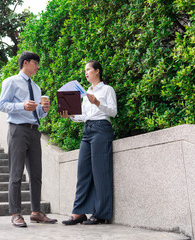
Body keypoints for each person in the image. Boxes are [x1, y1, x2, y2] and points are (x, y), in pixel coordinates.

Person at [0, 51, 57, 227]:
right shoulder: (11, 82)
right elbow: (2, 105)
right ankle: (16, 213)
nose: (38, 67)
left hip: (34, 131)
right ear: (26, 62)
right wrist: (21, 105)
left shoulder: (37, 88)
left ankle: (36, 211)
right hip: (17, 130)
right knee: (16, 173)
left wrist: (44, 110)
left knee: (36, 174)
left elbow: (37, 113)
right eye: (36, 63)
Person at [60, 60, 117, 225]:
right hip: (88, 129)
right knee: (83, 171)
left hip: (101, 128)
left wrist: (97, 102)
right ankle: (78, 212)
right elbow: (83, 116)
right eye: (85, 70)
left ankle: (101, 214)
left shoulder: (107, 90)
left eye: (88, 69)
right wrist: (70, 115)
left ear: (97, 71)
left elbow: (113, 112)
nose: (86, 73)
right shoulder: (85, 93)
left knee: (101, 173)